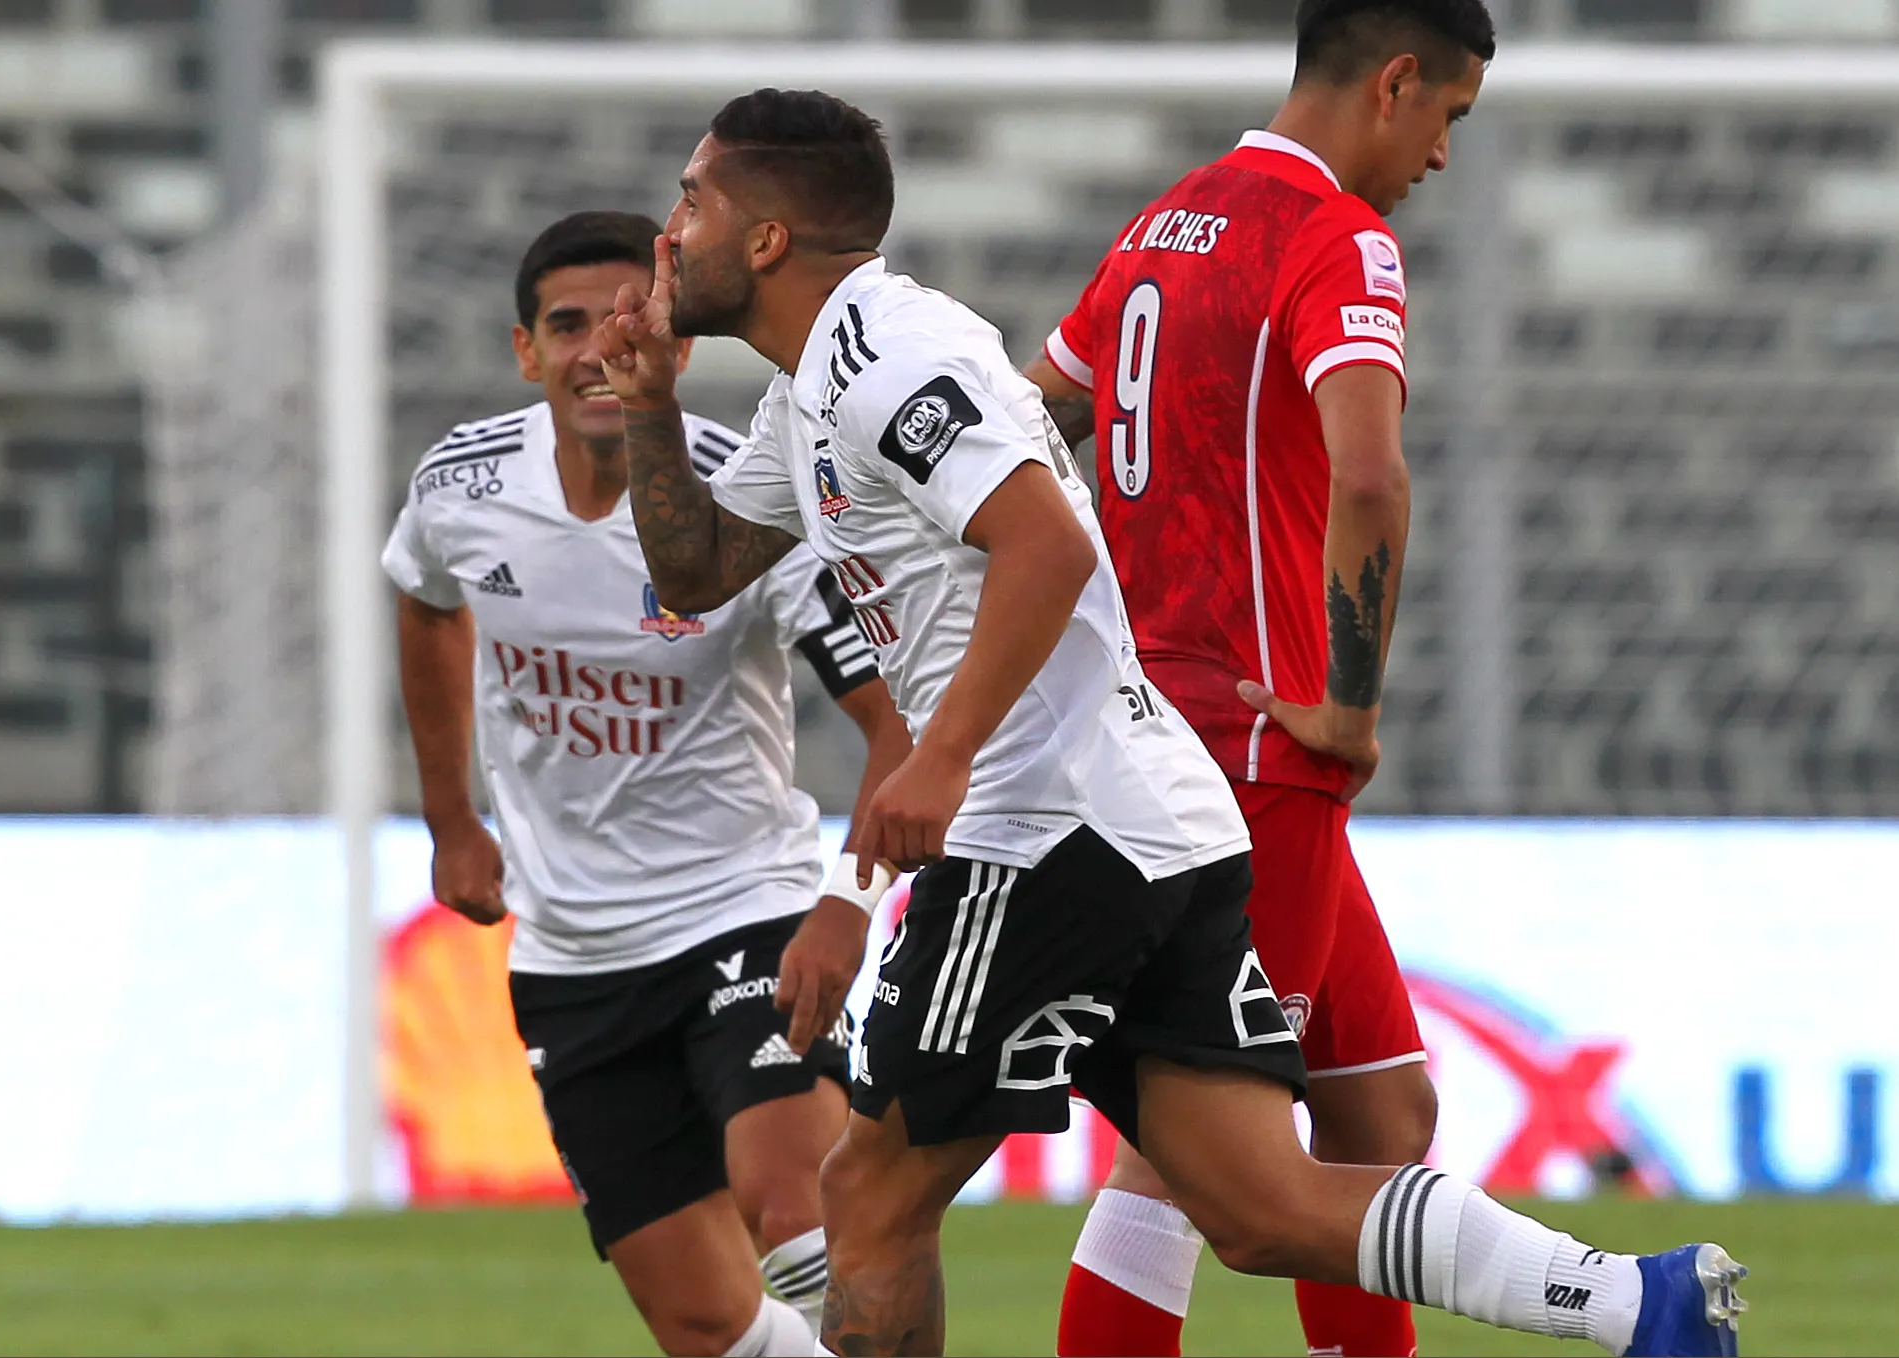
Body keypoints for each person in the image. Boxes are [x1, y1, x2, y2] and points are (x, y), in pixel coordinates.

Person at [596, 87, 1747, 1358]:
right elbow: (695, 569)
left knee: (869, 1190)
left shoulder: (886, 357)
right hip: (1151, 818)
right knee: (1260, 1204)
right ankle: (1643, 1303)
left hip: (1043, 823)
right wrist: (650, 399)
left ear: (765, 239)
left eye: (692, 199)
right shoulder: (809, 390)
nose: (668, 229)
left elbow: (1042, 542)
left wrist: (941, 752)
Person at [1021, 1, 1494, 1352]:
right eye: (1449, 117)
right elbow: (1369, 471)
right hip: (1258, 746)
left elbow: (1032, 407)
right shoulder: (1337, 237)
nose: (1443, 156)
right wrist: (1347, 699)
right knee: (1189, 1159)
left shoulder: (1167, 222)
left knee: (1378, 1113)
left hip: (1158, 718)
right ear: (1396, 83)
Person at [383, 209, 913, 1358]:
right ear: (524, 350)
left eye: (626, 317)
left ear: (674, 343)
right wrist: (448, 818)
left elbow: (896, 729)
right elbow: (426, 603)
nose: (594, 347)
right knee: (702, 1321)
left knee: (794, 1208)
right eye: (564, 324)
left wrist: (844, 903)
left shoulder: (750, 504)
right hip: (571, 953)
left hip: (744, 909)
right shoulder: (461, 483)